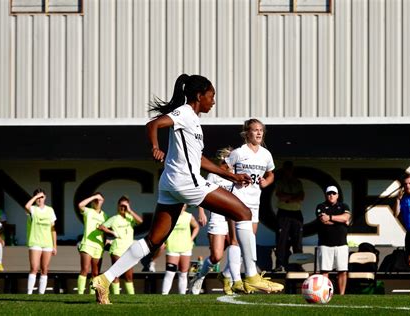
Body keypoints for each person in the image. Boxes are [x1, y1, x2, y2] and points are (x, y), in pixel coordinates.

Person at [91, 74, 283, 305]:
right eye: (211, 96)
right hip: (185, 182)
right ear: (199, 96)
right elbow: (152, 124)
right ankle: (251, 275)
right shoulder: (184, 113)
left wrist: (230, 175)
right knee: (244, 213)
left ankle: (104, 279)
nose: (213, 101)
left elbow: (199, 159)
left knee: (154, 240)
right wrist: (155, 147)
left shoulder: (193, 120)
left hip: (171, 184)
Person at [207, 118, 275, 294]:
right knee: (236, 241)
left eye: (261, 130)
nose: (259, 133)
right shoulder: (239, 152)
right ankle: (238, 280)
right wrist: (234, 177)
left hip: (254, 202)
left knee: (249, 241)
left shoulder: (266, 155)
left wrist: (266, 182)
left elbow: (270, 174)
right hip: (237, 200)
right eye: (255, 130)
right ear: (247, 133)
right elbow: (222, 168)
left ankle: (228, 274)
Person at [188, 147, 236, 295]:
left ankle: (228, 278)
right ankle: (199, 277)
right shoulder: (213, 175)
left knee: (237, 248)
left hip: (233, 216)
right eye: (228, 159)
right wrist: (201, 212)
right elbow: (203, 195)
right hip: (217, 217)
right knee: (216, 256)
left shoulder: (236, 174)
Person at [98, 195, 143, 295]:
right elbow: (101, 227)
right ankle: (116, 296)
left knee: (129, 276)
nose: (123, 208)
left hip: (129, 251)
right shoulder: (114, 218)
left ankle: (131, 297)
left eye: (125, 206)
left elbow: (140, 221)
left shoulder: (130, 218)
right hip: (117, 250)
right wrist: (112, 233)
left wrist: (129, 210)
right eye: (121, 206)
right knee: (116, 274)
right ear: (118, 206)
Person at [315, 185, 351, 295]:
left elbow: (346, 217)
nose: (331, 195)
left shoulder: (343, 205)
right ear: (326, 195)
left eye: (333, 193)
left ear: (337, 195)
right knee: (325, 271)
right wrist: (340, 221)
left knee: (342, 271)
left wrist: (330, 217)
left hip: (341, 244)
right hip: (325, 244)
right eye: (329, 193)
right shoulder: (321, 206)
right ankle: (325, 293)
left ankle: (341, 295)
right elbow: (323, 221)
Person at [273, 161, 305, 273]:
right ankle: (279, 264)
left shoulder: (298, 182)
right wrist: (292, 197)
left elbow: (301, 196)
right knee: (281, 241)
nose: (288, 171)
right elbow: (280, 196)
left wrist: (288, 198)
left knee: (298, 241)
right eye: (286, 169)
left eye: (290, 169)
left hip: (296, 213)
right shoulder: (280, 182)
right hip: (283, 213)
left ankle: (298, 264)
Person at [24, 189, 57, 294]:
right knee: (34, 268)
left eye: (41, 197)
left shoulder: (50, 210)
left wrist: (54, 246)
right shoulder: (33, 209)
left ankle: (41, 294)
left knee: (45, 269)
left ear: (45, 197)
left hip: (47, 243)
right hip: (35, 242)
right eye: (37, 197)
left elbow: (53, 229)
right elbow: (26, 206)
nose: (39, 199)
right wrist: (35, 197)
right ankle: (29, 293)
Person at [161, 204, 199, 294]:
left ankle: (182, 296)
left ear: (185, 206)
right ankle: (164, 295)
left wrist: (191, 239)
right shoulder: (170, 216)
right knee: (170, 272)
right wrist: (163, 241)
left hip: (186, 248)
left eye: (183, 205)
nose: (182, 207)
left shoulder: (189, 216)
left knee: (183, 273)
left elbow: (196, 227)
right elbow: (163, 229)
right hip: (172, 248)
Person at [77, 193, 108, 294]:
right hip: (87, 244)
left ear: (103, 201)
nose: (97, 201)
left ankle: (92, 294)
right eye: (96, 200)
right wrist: (93, 197)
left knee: (95, 272)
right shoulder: (88, 211)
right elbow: (80, 205)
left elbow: (105, 231)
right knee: (85, 269)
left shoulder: (105, 215)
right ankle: (80, 294)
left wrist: (105, 242)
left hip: (99, 246)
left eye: (99, 200)